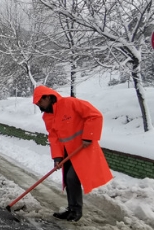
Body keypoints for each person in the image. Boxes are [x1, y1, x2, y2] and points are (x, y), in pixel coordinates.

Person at [33, 85, 113, 222]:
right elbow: (53, 137)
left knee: (71, 178)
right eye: (37, 104)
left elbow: (95, 115)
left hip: (83, 149)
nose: (39, 106)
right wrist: (57, 156)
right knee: (68, 180)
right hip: (67, 152)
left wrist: (89, 136)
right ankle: (71, 209)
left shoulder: (70, 103)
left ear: (47, 97)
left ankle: (76, 210)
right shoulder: (47, 116)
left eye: (40, 102)